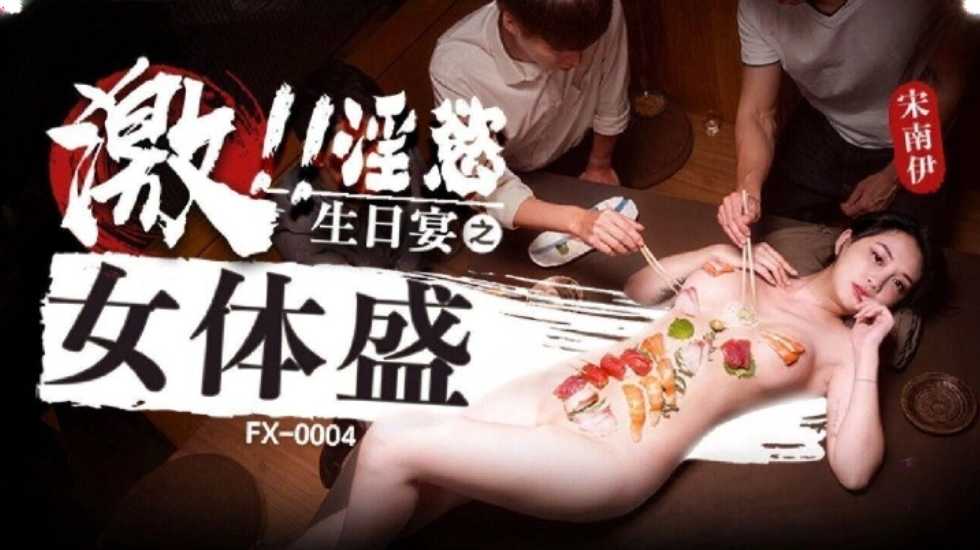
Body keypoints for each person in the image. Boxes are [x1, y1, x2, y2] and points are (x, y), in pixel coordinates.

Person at [290, 212, 938, 549]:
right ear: (847, 239)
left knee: (393, 440)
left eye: (896, 285)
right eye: (877, 256)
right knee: (413, 485)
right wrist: (709, 255)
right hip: (567, 383)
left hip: (616, 452)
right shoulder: (750, 266)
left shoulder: (841, 349)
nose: (876, 281)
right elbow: (639, 290)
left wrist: (869, 351)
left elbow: (855, 469)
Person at [717, 0, 967, 247]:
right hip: (824, 120)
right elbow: (758, 114)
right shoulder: (755, 6)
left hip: (911, 132)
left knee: (908, 253)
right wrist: (748, 190)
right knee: (764, 234)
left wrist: (894, 175)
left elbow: (946, 84)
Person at [429, 0, 645, 257]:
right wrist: (577, 221)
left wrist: (600, 164)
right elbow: (485, 186)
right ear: (511, 23)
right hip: (507, 172)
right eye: (558, 50)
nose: (576, 61)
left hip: (573, 147)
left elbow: (612, 88)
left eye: (586, 47)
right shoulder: (456, 68)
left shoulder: (598, 11)